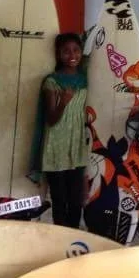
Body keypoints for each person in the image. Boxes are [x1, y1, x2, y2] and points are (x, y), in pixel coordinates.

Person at [40, 33, 88, 229]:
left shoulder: (85, 80)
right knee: (60, 201)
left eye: (76, 50)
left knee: (76, 201)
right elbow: (51, 120)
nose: (72, 55)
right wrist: (63, 104)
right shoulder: (52, 82)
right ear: (58, 54)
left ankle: (73, 238)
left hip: (76, 145)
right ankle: (60, 240)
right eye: (66, 51)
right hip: (56, 147)